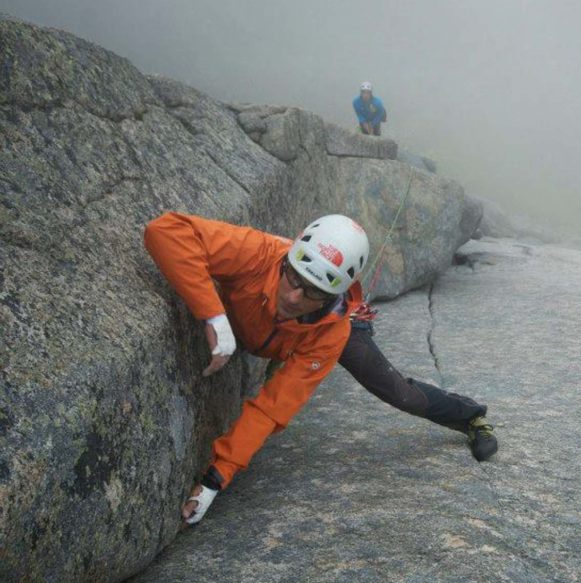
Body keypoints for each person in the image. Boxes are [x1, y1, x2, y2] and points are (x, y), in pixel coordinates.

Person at [143, 212, 497, 525]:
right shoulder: (260, 254)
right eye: (294, 278)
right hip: (277, 329)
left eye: (312, 292)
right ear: (288, 260)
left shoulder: (332, 332)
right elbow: (167, 231)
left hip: (331, 329)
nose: (294, 296)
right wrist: (213, 314)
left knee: (399, 393)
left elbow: (273, 406)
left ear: (332, 295)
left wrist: (215, 478)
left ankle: (471, 416)